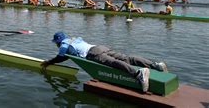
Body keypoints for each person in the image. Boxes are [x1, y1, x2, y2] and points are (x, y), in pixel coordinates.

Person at [40, 32, 168, 92]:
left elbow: (60, 57)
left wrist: (48, 63)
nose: (56, 45)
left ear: (58, 41)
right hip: (101, 47)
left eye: (55, 43)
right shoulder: (74, 38)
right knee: (127, 58)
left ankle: (138, 74)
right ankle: (155, 65)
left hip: (93, 53)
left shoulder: (63, 45)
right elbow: (69, 54)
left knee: (113, 63)